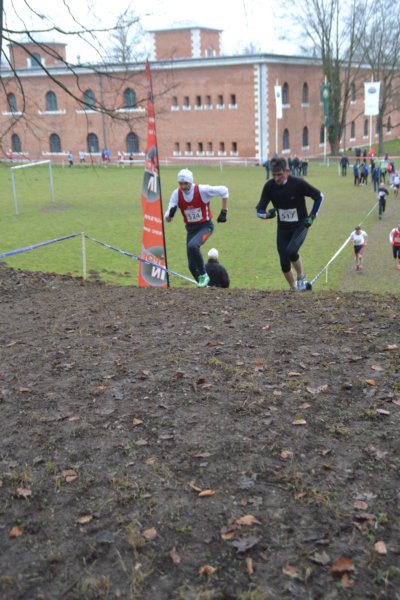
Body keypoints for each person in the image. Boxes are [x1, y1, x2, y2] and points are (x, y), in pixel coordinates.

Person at [255, 157, 324, 291]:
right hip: (283, 227)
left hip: (301, 224)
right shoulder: (269, 187)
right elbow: (259, 211)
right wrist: (267, 215)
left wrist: (312, 216)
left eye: (279, 174)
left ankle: (301, 278)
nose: (276, 178)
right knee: (284, 263)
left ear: (287, 171)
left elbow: (319, 196)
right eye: (274, 175)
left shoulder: (298, 183)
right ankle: (293, 288)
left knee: (291, 251)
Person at [164, 169, 229, 287]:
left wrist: (224, 211)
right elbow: (167, 219)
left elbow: (224, 190)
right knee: (192, 266)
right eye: (181, 184)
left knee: (193, 246)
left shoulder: (202, 190)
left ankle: (204, 275)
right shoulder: (176, 194)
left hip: (206, 227)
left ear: (191, 182)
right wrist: (170, 215)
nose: (183, 187)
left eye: (186, 183)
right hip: (191, 230)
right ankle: (204, 288)